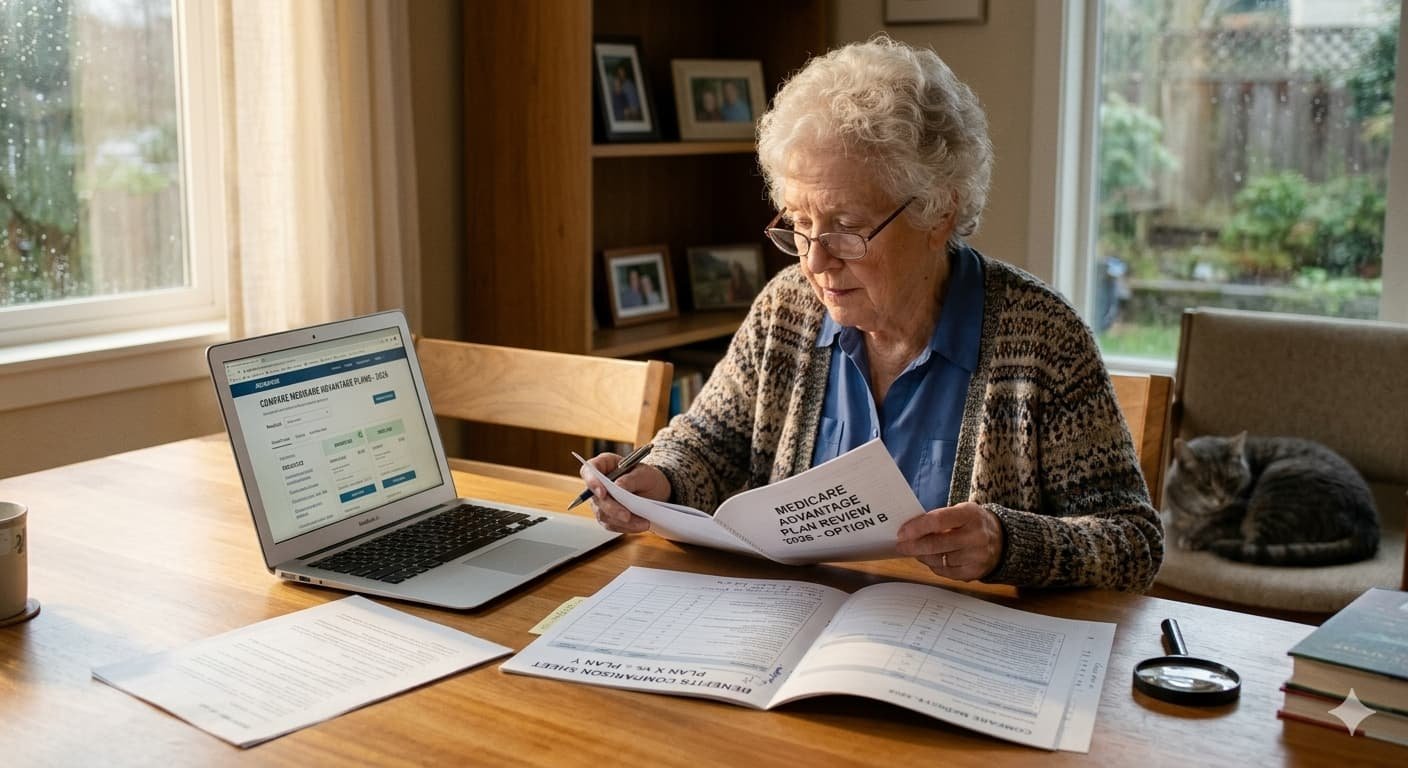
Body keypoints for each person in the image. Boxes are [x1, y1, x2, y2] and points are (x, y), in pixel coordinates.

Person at [581, 36, 1163, 592]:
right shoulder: (787, 309)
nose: (816, 260)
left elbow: (1133, 543)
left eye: (848, 227)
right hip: (795, 635)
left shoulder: (1042, 340)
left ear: (939, 211)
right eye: (799, 225)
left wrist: (1008, 542)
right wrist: (657, 480)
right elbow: (708, 442)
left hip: (963, 656)